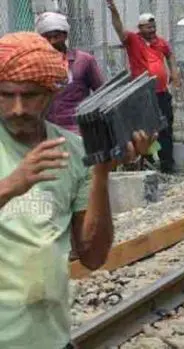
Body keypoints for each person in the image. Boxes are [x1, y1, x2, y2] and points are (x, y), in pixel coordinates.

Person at [0, 32, 152, 349]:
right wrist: (12, 185)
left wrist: (101, 171)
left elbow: (93, 257)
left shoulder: (72, 151)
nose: (16, 108)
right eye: (5, 95)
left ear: (52, 93)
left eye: (29, 96)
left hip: (50, 340)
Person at [107, 0, 180, 173]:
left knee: (166, 127)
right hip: (142, 95)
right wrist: (114, 12)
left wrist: (174, 73)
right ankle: (146, 161)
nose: (153, 30)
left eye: (154, 27)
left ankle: (167, 163)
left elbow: (170, 55)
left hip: (161, 92)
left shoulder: (160, 42)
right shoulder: (133, 40)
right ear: (140, 28)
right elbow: (119, 28)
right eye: (148, 27)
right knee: (145, 129)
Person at [35, 12, 104, 133]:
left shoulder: (83, 60)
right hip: (47, 129)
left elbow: (102, 92)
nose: (51, 42)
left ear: (65, 35)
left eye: (56, 37)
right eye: (47, 38)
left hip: (77, 130)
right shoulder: (37, 64)